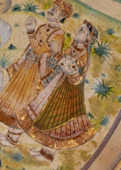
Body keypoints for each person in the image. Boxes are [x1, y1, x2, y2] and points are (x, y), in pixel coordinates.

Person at [0, 0, 73, 128]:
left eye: (55, 10)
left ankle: (15, 126)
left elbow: (41, 50)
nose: (51, 10)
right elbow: (31, 47)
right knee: (15, 91)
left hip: (37, 70)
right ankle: (3, 116)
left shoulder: (59, 34)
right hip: (28, 64)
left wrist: (30, 32)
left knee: (24, 96)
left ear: (61, 17)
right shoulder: (42, 27)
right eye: (52, 8)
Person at [21, 17, 96, 155]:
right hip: (58, 84)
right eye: (79, 28)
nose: (77, 31)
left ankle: (48, 154)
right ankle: (45, 152)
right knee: (48, 115)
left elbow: (69, 70)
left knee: (58, 120)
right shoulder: (72, 48)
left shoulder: (84, 55)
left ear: (88, 38)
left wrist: (58, 55)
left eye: (82, 30)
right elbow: (61, 66)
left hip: (68, 92)